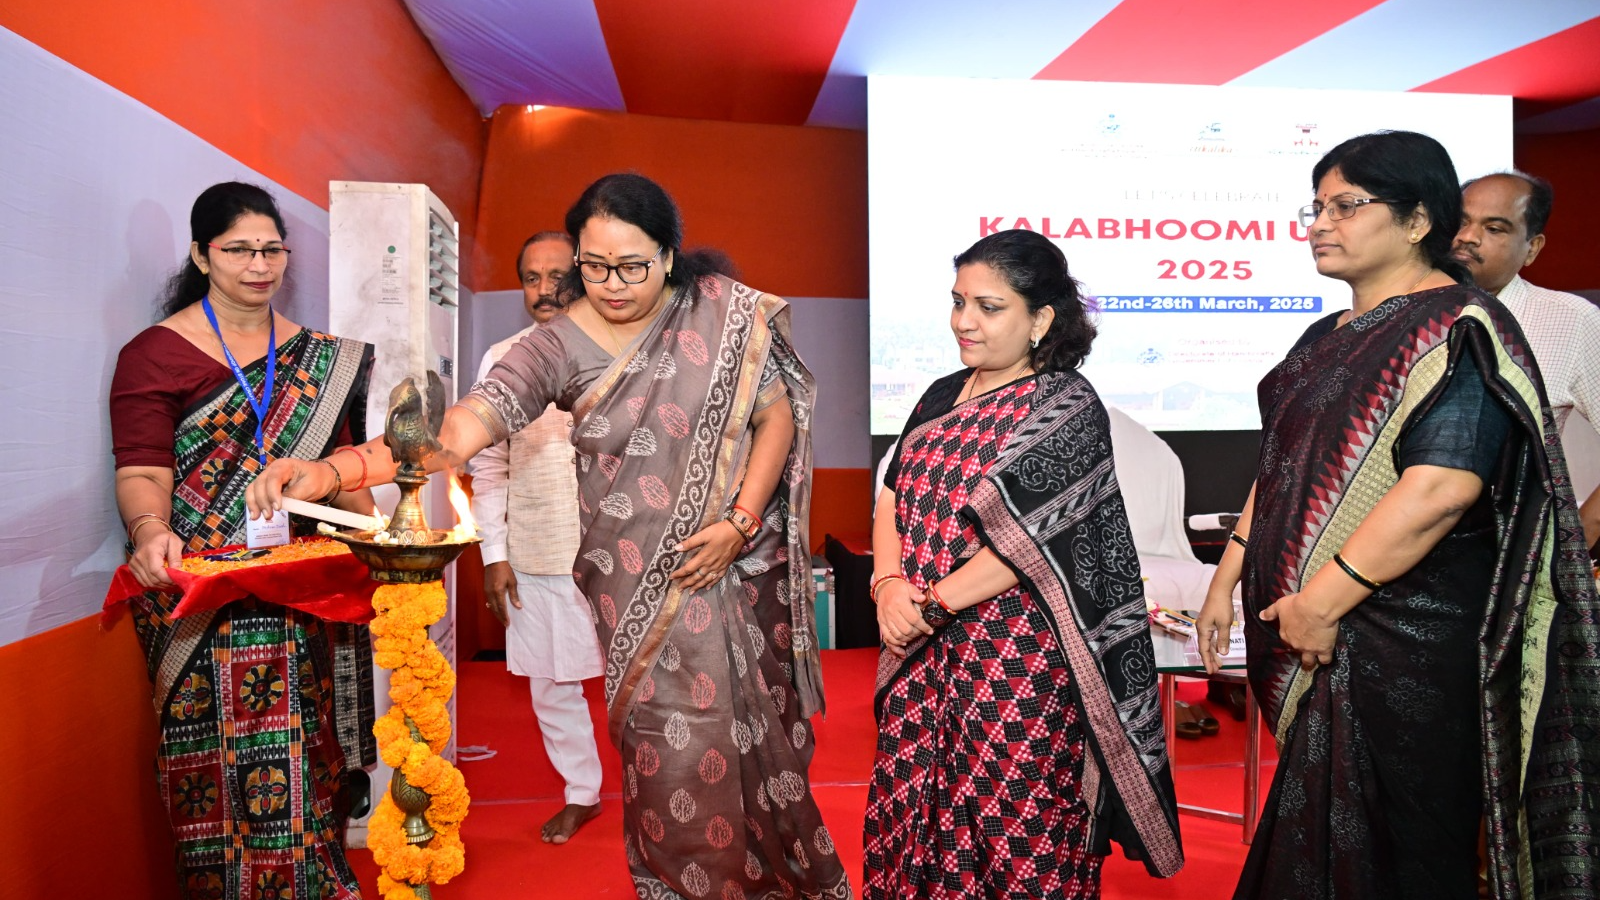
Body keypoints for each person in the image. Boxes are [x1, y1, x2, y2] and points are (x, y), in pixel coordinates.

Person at [247, 173, 853, 899]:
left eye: (633, 266)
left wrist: (739, 522)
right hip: (635, 580)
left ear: (669, 255)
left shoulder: (722, 312)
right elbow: (457, 431)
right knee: (670, 758)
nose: (612, 284)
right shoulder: (552, 346)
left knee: (759, 741)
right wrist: (333, 468)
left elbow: (775, 417)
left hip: (737, 563)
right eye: (592, 268)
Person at [1195, 131, 1600, 898]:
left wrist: (1321, 601)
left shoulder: (1460, 328)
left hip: (1405, 638)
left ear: (1418, 221)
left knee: (1400, 847)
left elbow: (1443, 487)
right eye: (1316, 206)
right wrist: (1229, 574)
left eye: (1346, 205)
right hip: (1315, 626)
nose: (1320, 222)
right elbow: (1282, 466)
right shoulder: (1325, 336)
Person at [864, 229, 1183, 898]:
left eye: (988, 306)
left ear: (1041, 318)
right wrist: (889, 583)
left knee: (1017, 822)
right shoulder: (939, 393)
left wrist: (926, 606)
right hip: (921, 645)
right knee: (916, 813)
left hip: (1017, 659)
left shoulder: (1064, 408)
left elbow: (1032, 540)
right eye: (958, 302)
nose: (963, 321)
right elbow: (893, 491)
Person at [111, 182, 376, 899]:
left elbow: (343, 469)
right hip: (196, 589)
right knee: (207, 766)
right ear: (202, 254)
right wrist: (150, 532)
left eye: (271, 250)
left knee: (303, 754)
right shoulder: (156, 354)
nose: (258, 265)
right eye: (238, 250)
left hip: (299, 589)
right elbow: (141, 468)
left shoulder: (317, 359)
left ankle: (310, 884)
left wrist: (376, 528)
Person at [470, 229, 606, 844]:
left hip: (622, 551)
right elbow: (487, 465)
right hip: (539, 549)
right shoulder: (505, 357)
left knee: (652, 683)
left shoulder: (621, 346)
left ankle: (666, 789)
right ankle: (583, 792)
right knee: (553, 685)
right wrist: (494, 557)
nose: (546, 290)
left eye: (559, 276)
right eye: (531, 277)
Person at [1452, 171, 1600, 547]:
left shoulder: (1570, 319)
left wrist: (1574, 539)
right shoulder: (1408, 312)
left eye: (1495, 228)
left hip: (1510, 555)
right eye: (1461, 221)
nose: (1467, 236)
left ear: (1532, 248)